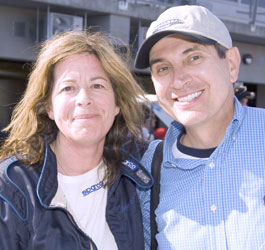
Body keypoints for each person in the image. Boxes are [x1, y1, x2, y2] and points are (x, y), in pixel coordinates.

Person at [135, 5, 265, 250]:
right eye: (163, 68)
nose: (179, 79)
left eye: (194, 58)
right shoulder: (151, 166)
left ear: (232, 64)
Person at [0, 31, 153, 250]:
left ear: (117, 103)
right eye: (68, 88)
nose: (84, 99)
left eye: (97, 86)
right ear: (49, 107)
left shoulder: (139, 172)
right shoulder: (12, 186)